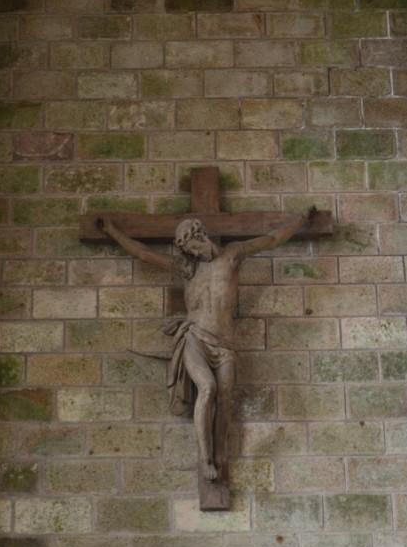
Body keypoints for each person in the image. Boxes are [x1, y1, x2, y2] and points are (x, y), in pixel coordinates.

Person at [98, 207, 318, 482]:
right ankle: (205, 459)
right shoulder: (187, 269)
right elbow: (144, 253)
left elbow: (271, 239)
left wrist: (299, 221)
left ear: (201, 235)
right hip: (195, 338)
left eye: (193, 246)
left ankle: (220, 452)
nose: (192, 253)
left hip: (225, 344)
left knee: (225, 398)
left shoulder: (232, 255)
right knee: (208, 387)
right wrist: (112, 230)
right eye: (187, 250)